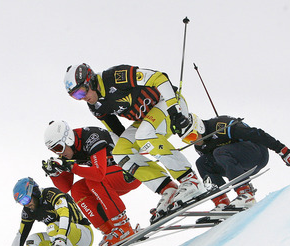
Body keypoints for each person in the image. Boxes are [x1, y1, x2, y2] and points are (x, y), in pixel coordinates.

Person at [64, 63, 206, 223]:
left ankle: (190, 180)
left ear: (91, 81)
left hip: (169, 103)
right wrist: (127, 163)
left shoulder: (114, 77)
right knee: (120, 153)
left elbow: (160, 77)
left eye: (82, 91)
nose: (82, 98)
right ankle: (169, 189)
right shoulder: (95, 106)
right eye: (76, 96)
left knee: (143, 134)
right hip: (148, 119)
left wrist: (174, 109)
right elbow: (116, 131)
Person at [176, 114, 290, 217]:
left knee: (219, 152)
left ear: (199, 127)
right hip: (237, 164)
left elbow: (256, 133)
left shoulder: (221, 126)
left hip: (257, 154)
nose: (193, 141)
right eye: (187, 140)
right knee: (202, 162)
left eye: (191, 136)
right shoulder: (199, 146)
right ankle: (221, 201)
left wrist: (283, 151)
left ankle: (245, 194)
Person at [43, 120, 141, 246]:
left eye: (58, 148)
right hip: (109, 184)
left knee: (93, 180)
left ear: (68, 139)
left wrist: (72, 167)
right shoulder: (67, 151)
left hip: (131, 173)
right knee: (77, 189)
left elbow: (99, 173)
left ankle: (123, 227)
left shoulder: (91, 137)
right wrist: (55, 173)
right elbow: (66, 187)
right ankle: (109, 230)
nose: (58, 153)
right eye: (53, 150)